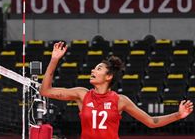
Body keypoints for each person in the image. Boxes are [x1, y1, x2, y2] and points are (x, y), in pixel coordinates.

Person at [40, 41, 193, 139]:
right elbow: (45, 91)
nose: (93, 70)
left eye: (98, 68)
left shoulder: (120, 100)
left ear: (108, 76)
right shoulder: (81, 94)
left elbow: (151, 122)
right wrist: (54, 59)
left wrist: (178, 115)